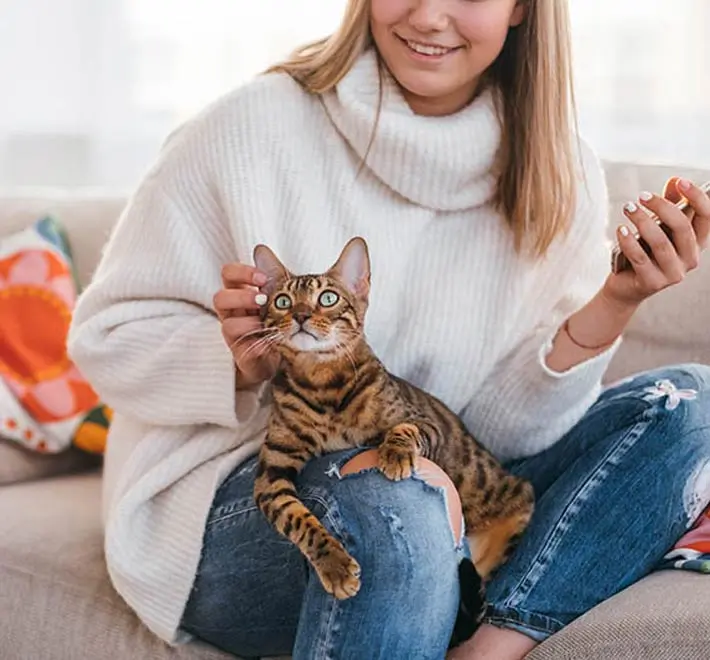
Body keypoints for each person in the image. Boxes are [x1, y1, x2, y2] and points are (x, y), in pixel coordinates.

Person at [67, 0, 710, 658]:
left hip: (447, 476)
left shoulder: (560, 173)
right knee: (398, 501)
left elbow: (504, 435)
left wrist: (618, 298)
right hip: (240, 504)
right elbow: (105, 339)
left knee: (691, 402)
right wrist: (240, 361)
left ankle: (490, 643)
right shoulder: (247, 128)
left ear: (522, 8)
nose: (430, 16)